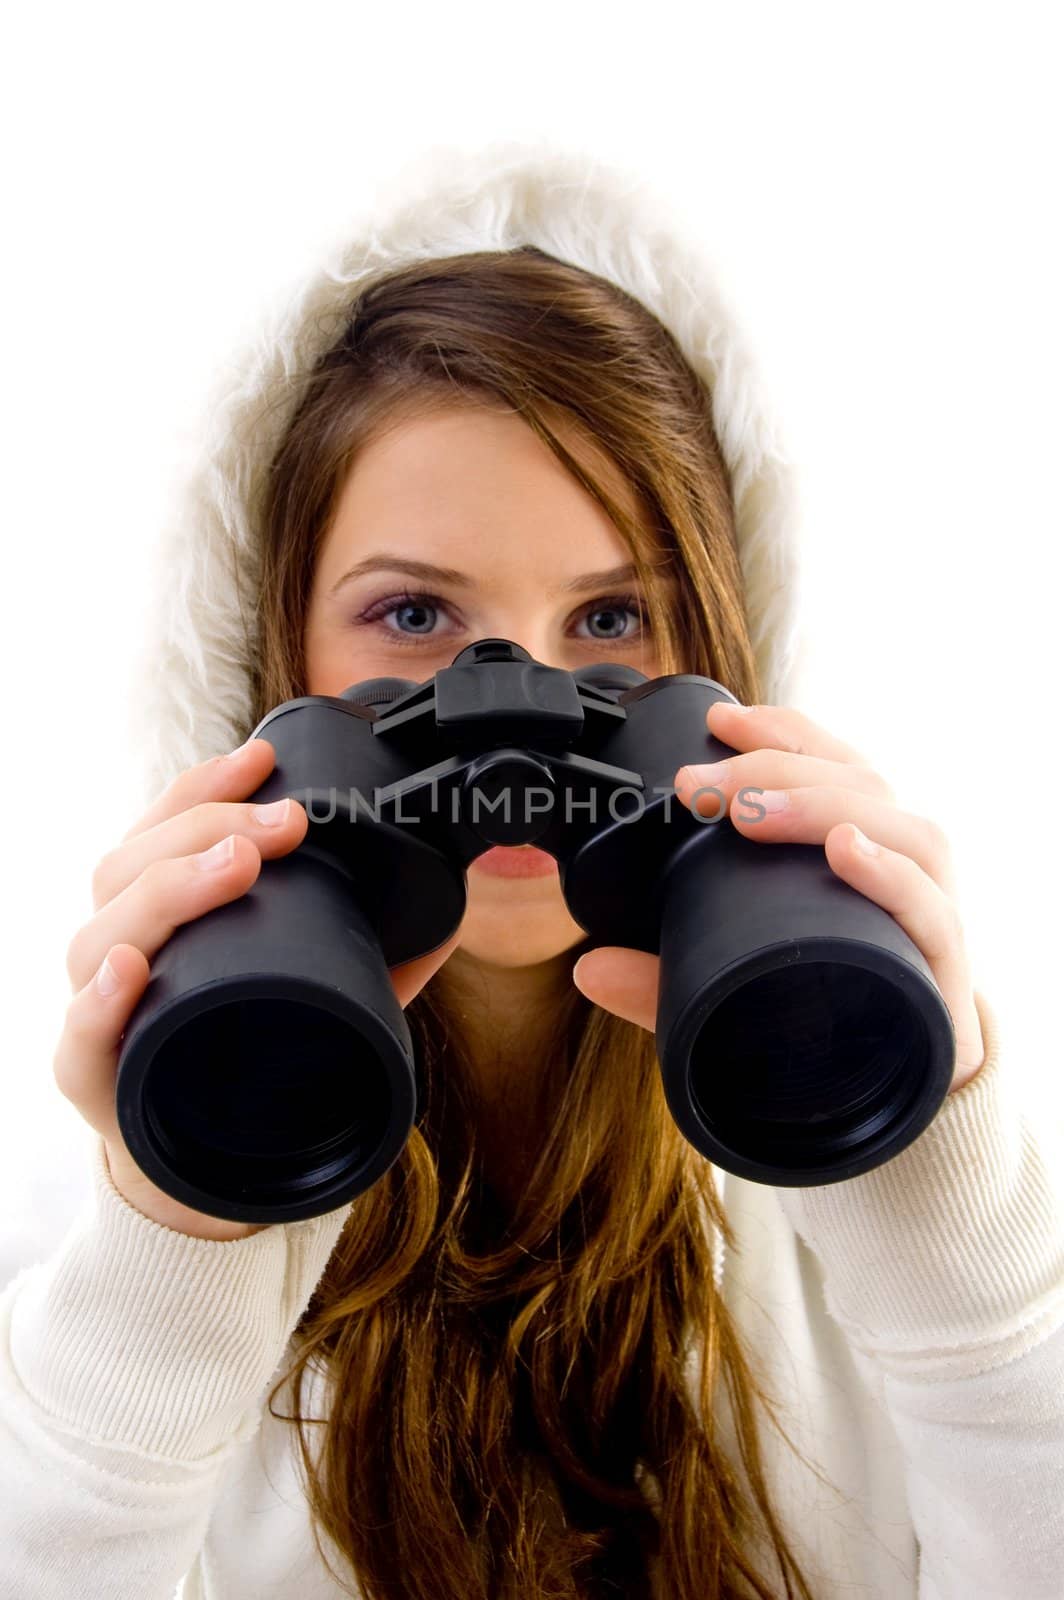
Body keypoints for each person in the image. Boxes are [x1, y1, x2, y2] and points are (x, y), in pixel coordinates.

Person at [1, 141, 1061, 1600]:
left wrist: (956, 1223)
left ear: (725, 664)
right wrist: (170, 1242)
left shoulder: (846, 1164)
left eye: (617, 616)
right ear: (271, 663)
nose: (520, 688)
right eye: (415, 612)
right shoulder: (84, 1245)